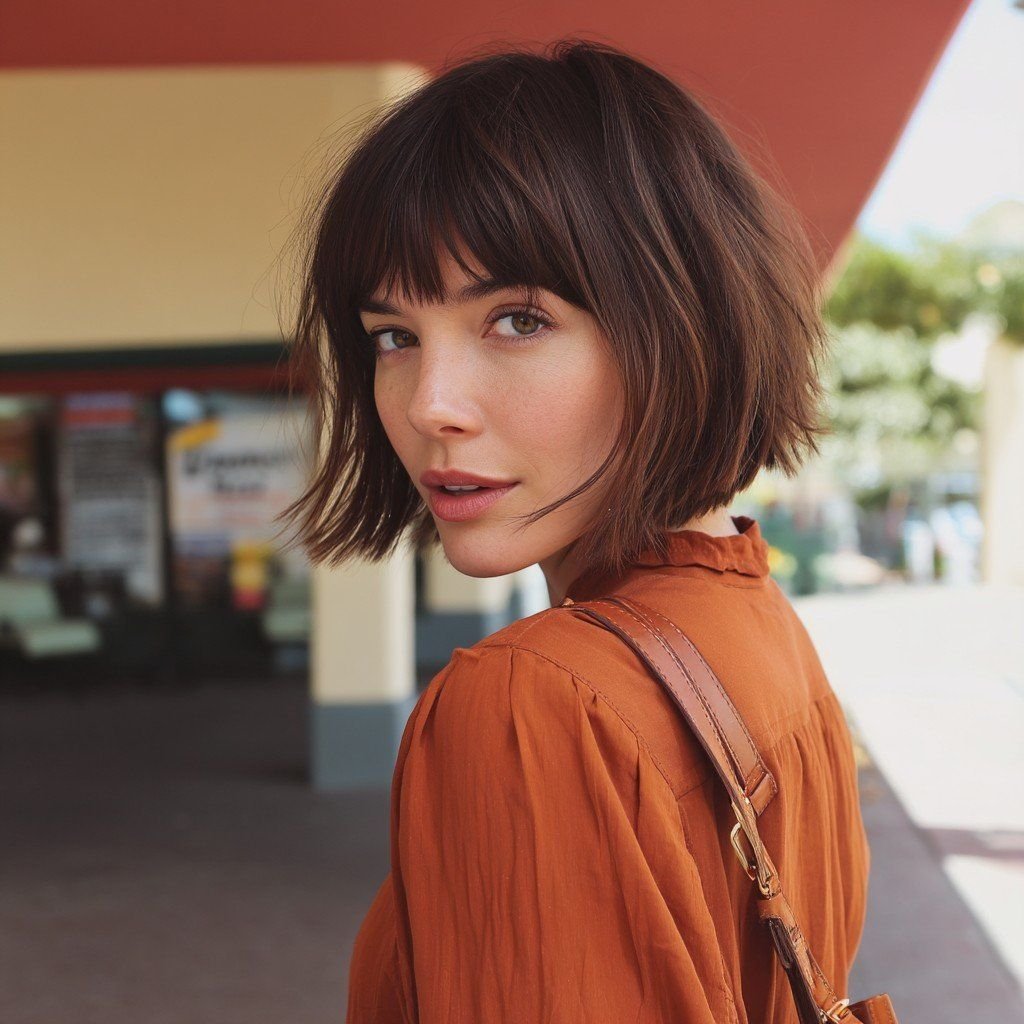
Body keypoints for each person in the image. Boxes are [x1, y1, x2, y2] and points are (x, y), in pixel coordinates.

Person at [278, 38, 870, 1024]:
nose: (431, 403)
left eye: (516, 319)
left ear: (680, 327)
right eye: (395, 335)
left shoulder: (531, 702)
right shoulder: (755, 622)